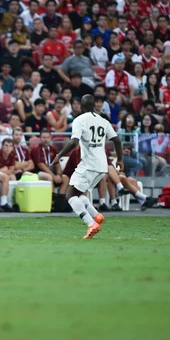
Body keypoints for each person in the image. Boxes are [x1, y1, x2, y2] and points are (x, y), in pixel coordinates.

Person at [53, 94, 124, 239]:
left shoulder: (79, 120)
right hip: (102, 166)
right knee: (79, 194)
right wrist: (120, 160)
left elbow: (73, 142)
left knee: (70, 196)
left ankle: (91, 223)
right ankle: (96, 215)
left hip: (88, 164)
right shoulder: (103, 120)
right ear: (94, 106)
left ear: (81, 106)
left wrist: (59, 155)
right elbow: (117, 140)